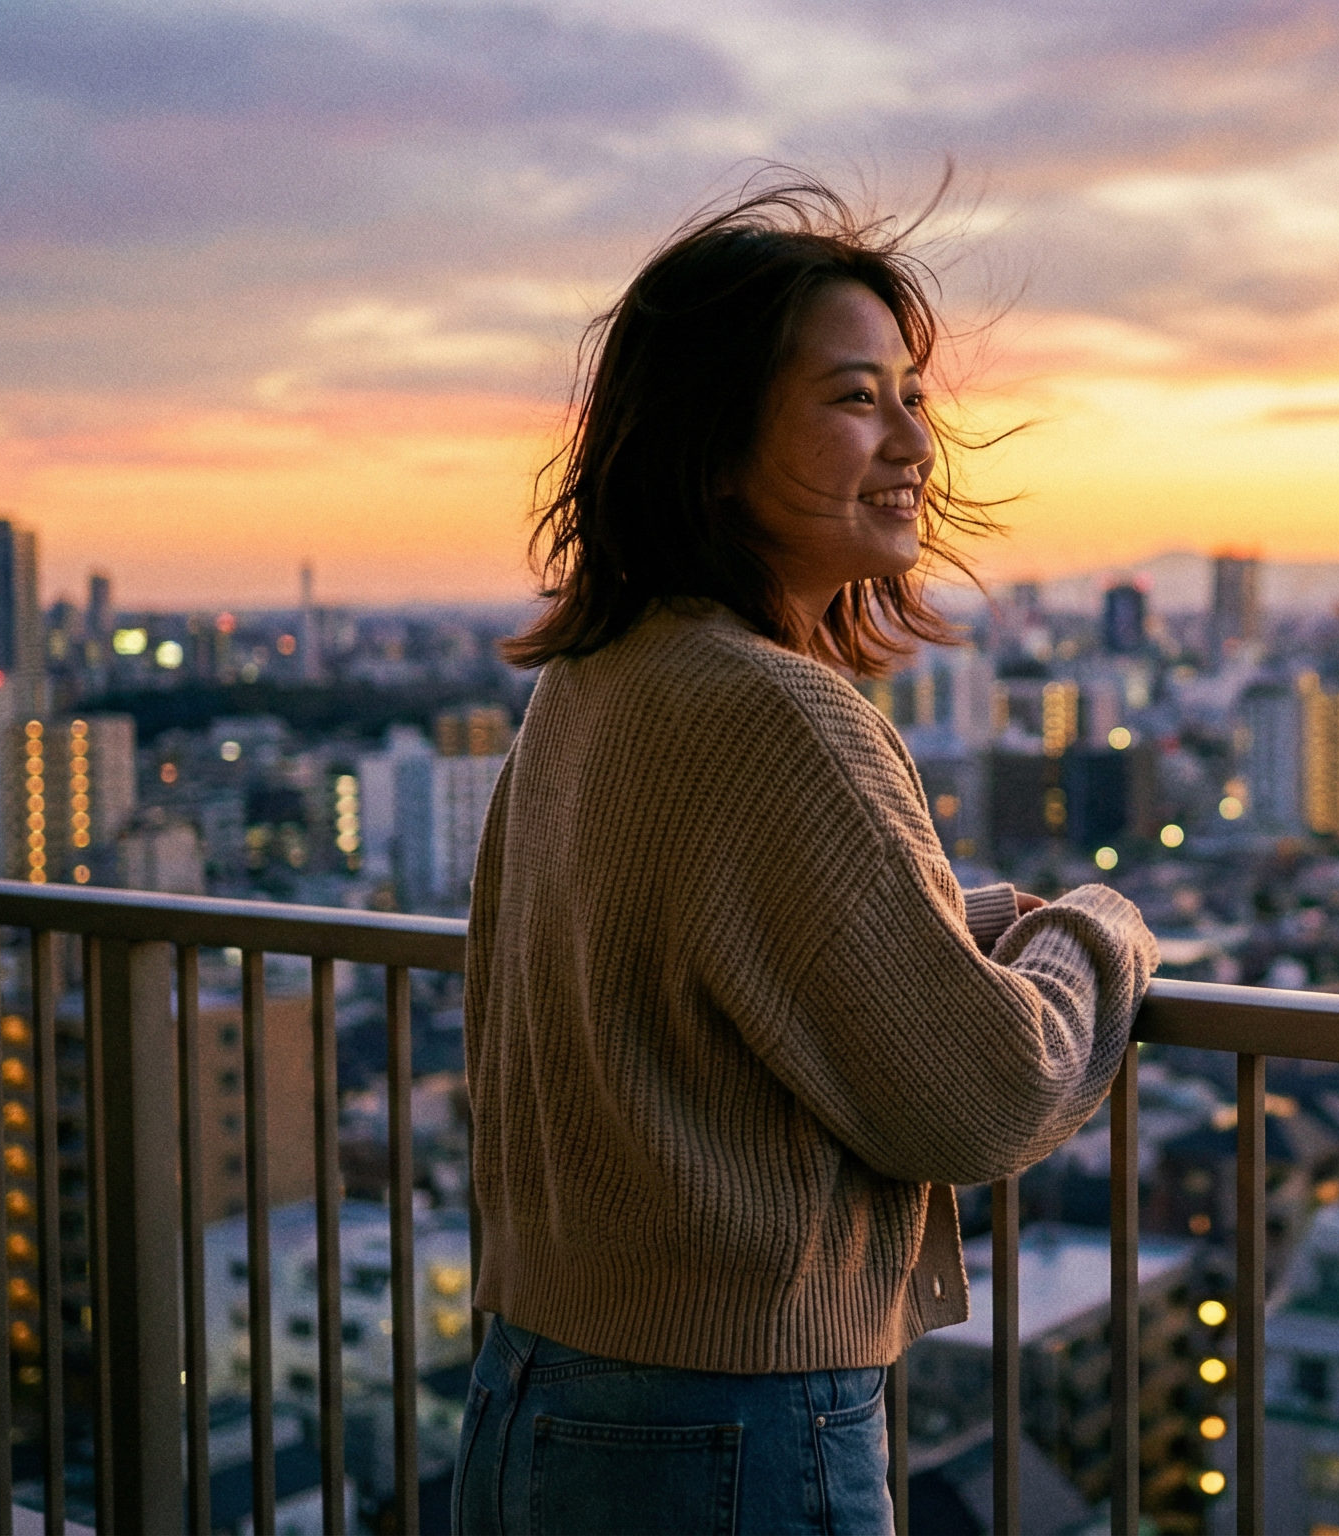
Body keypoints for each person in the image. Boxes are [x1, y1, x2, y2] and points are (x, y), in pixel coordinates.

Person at [452, 178, 1158, 1535]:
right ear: (714, 445)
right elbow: (984, 1095)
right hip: (724, 1434)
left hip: (534, 1393)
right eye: (854, 397)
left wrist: (965, 925)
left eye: (912, 395)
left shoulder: (607, 674)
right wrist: (1099, 932)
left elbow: (749, 958)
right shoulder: (777, 713)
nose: (913, 442)